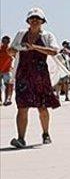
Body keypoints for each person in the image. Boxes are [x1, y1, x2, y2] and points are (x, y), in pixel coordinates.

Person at [9, 8, 66, 148]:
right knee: (22, 107)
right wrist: (15, 49)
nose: (34, 21)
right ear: (28, 21)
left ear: (42, 21)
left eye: (37, 19)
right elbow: (10, 50)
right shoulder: (21, 34)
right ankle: (21, 138)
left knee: (42, 106)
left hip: (40, 75)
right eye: (32, 18)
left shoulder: (47, 36)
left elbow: (54, 51)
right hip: (23, 74)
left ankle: (45, 133)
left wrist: (34, 47)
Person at [0, 36, 14, 106]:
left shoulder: (10, 50)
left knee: (7, 85)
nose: (5, 43)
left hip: (7, 71)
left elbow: (16, 56)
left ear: (9, 42)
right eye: (4, 41)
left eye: (7, 41)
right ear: (2, 41)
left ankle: (6, 100)